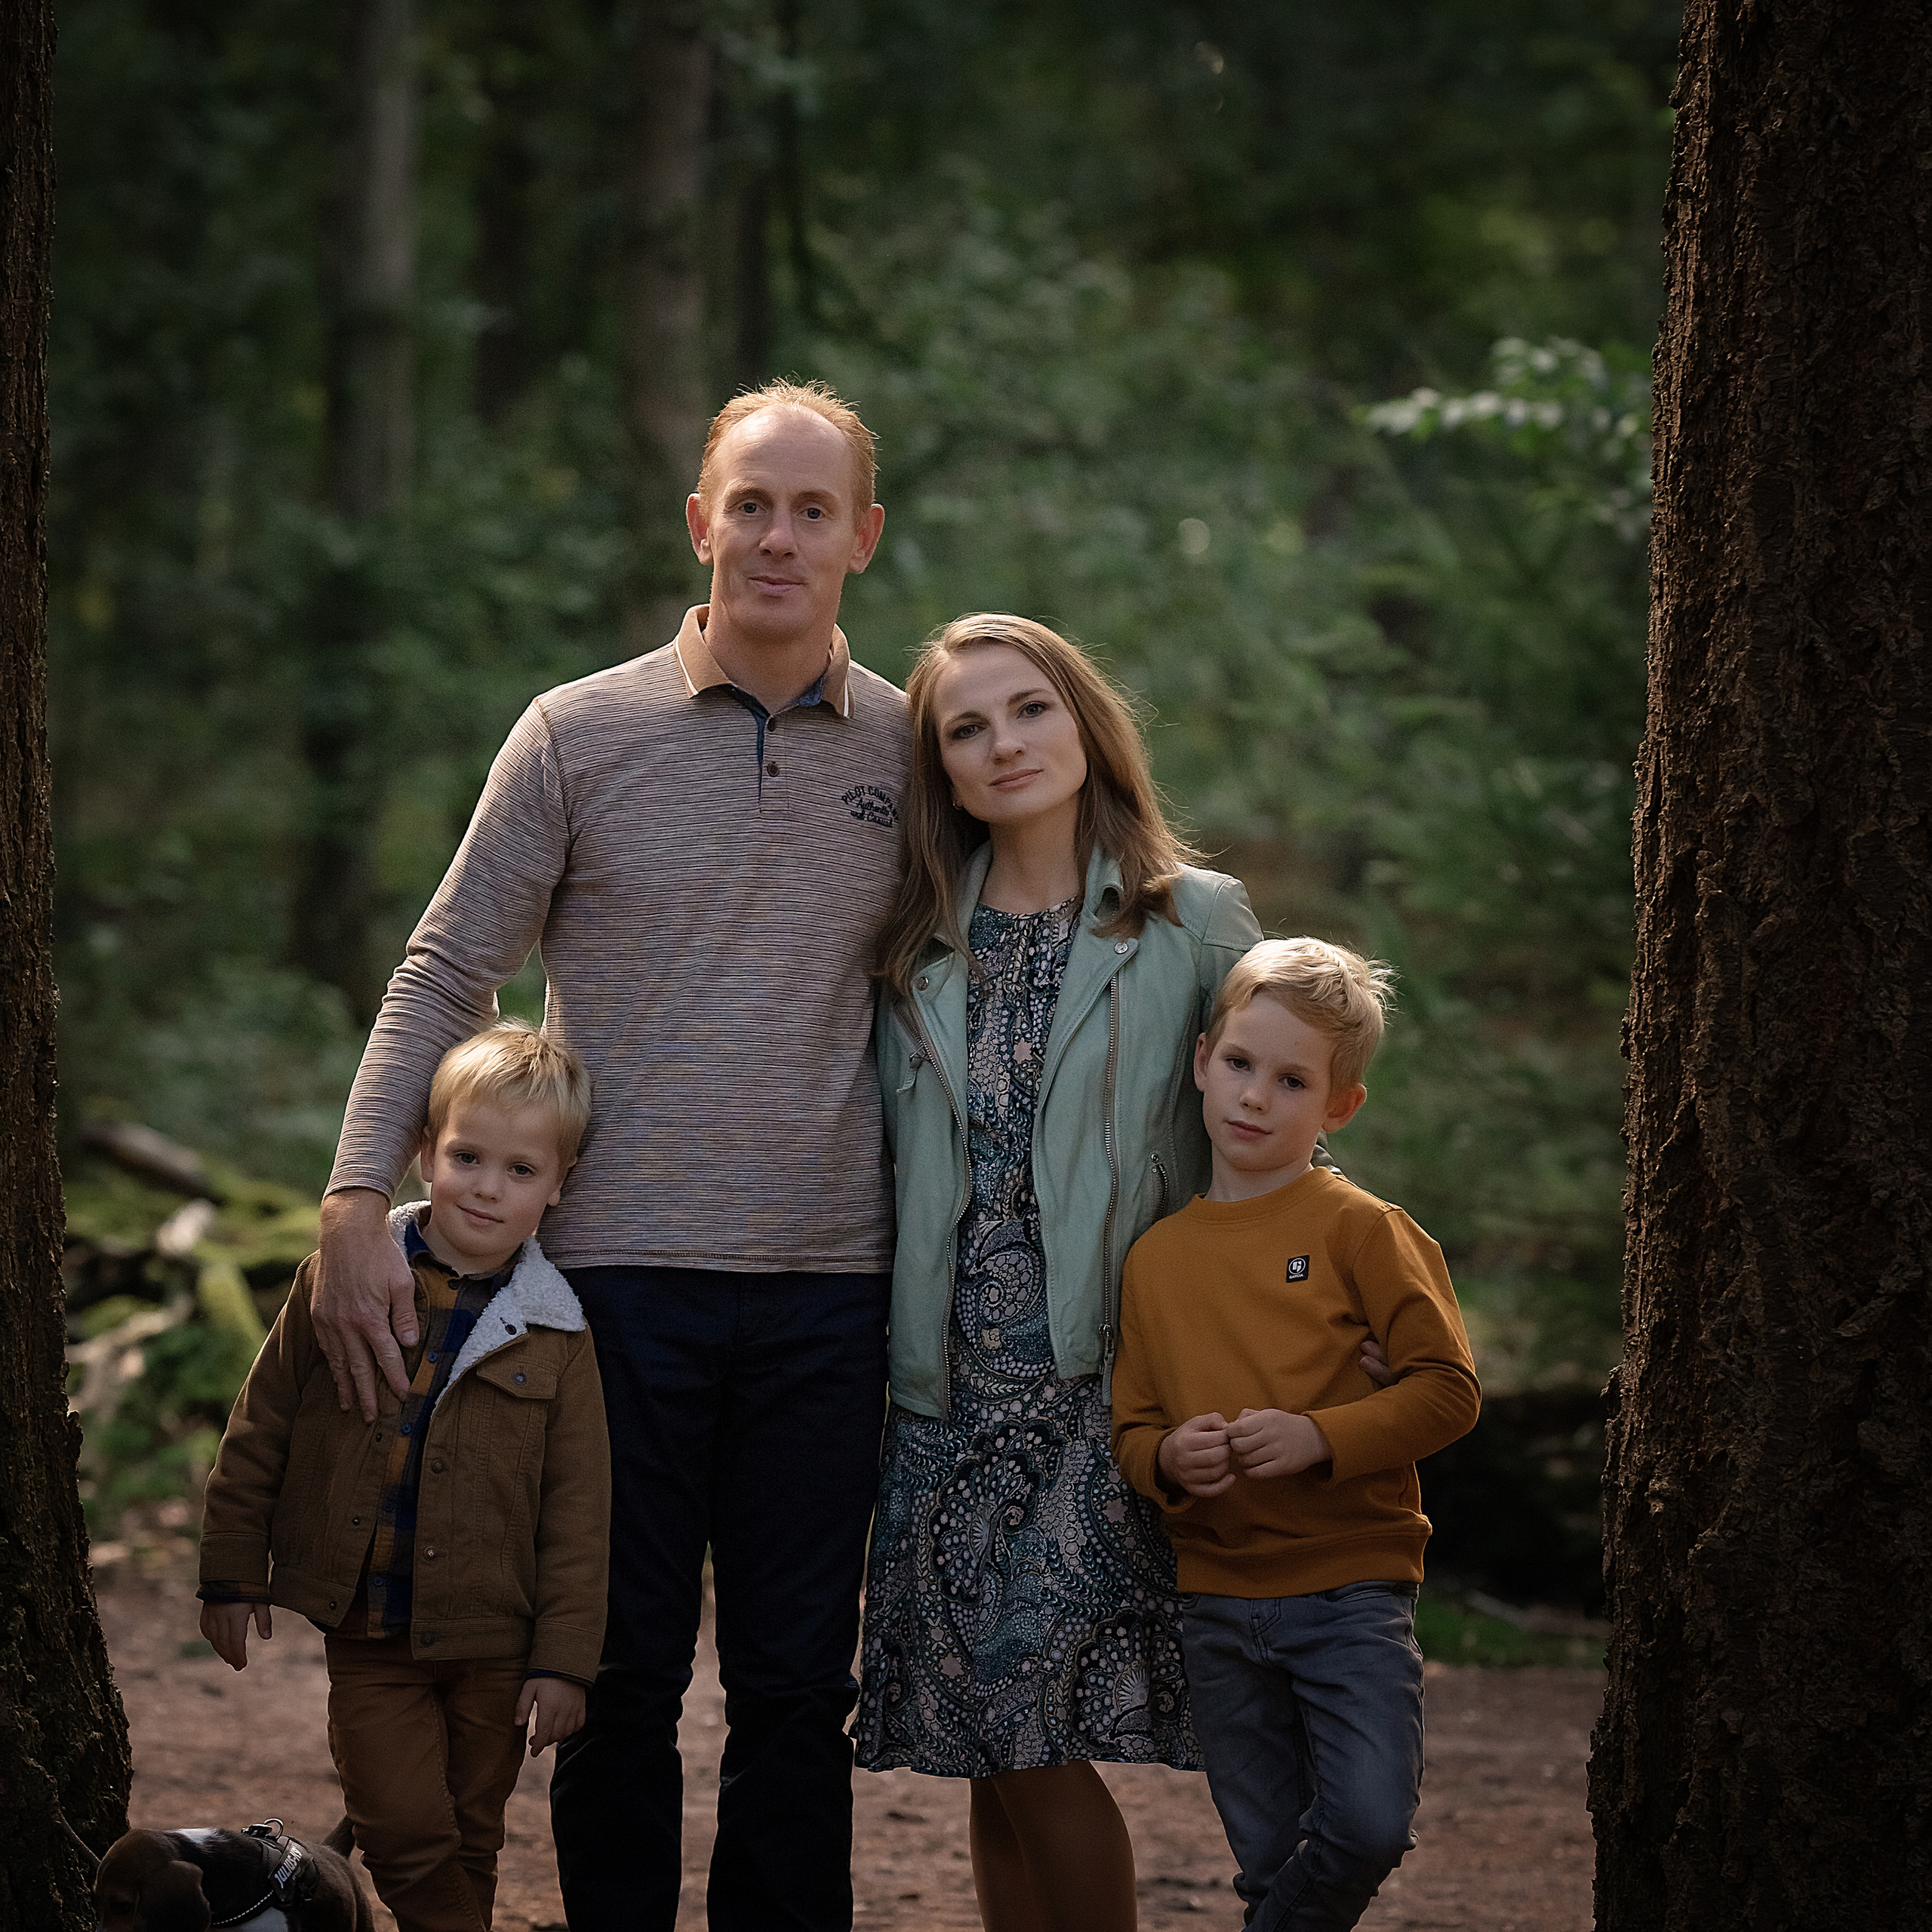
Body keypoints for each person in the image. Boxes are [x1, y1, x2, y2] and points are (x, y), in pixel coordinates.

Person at [307, 380, 908, 1930]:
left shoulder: (917, 757)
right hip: (600, 1292)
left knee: (794, 1687)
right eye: (751, 503)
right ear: (701, 520)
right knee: (609, 1673)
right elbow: (448, 970)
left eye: (812, 507)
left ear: (862, 537)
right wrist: (355, 1194)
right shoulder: (578, 730)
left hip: (830, 1289)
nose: (778, 535)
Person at [854, 613, 1364, 1932]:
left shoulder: (1193, 921)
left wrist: (1335, 1299)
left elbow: (1276, 1119)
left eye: (1027, 710)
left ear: (1083, 724)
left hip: (1102, 1380)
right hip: (939, 1388)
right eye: (965, 728)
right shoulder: (914, 938)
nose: (1003, 744)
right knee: (983, 1741)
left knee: (1027, 1727)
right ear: (942, 768)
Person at [197, 1020, 608, 1932]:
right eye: (467, 1154)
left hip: (495, 1641)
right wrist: (230, 1569)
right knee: (399, 1827)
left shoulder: (560, 1333)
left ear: (558, 1187)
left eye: (520, 1170)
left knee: (469, 1834)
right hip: (371, 1624)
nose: (487, 1187)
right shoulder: (343, 1281)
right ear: (425, 1150)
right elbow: (260, 1427)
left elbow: (578, 1516)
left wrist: (562, 1660)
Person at [1111, 938, 1483, 1932]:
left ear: (1338, 1106)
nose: (1255, 1098)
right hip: (1218, 1605)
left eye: (1292, 1081)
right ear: (1201, 1060)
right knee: (1274, 1864)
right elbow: (1134, 1428)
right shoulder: (1154, 1260)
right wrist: (1167, 1464)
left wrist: (1322, 1437)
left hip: (1351, 1589)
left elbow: (1449, 1391)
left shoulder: (1365, 1230)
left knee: (1365, 1827)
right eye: (1240, 1065)